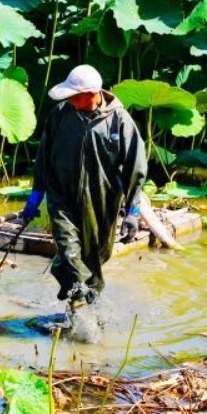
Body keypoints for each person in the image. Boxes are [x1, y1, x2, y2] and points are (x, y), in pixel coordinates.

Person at [21, 64, 147, 311]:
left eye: (74, 96)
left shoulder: (120, 121)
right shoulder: (59, 115)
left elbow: (136, 167)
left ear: (91, 94)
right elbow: (44, 158)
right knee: (68, 252)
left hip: (102, 200)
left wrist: (132, 212)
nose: (68, 100)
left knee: (95, 259)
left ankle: (86, 309)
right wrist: (35, 197)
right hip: (62, 196)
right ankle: (78, 304)